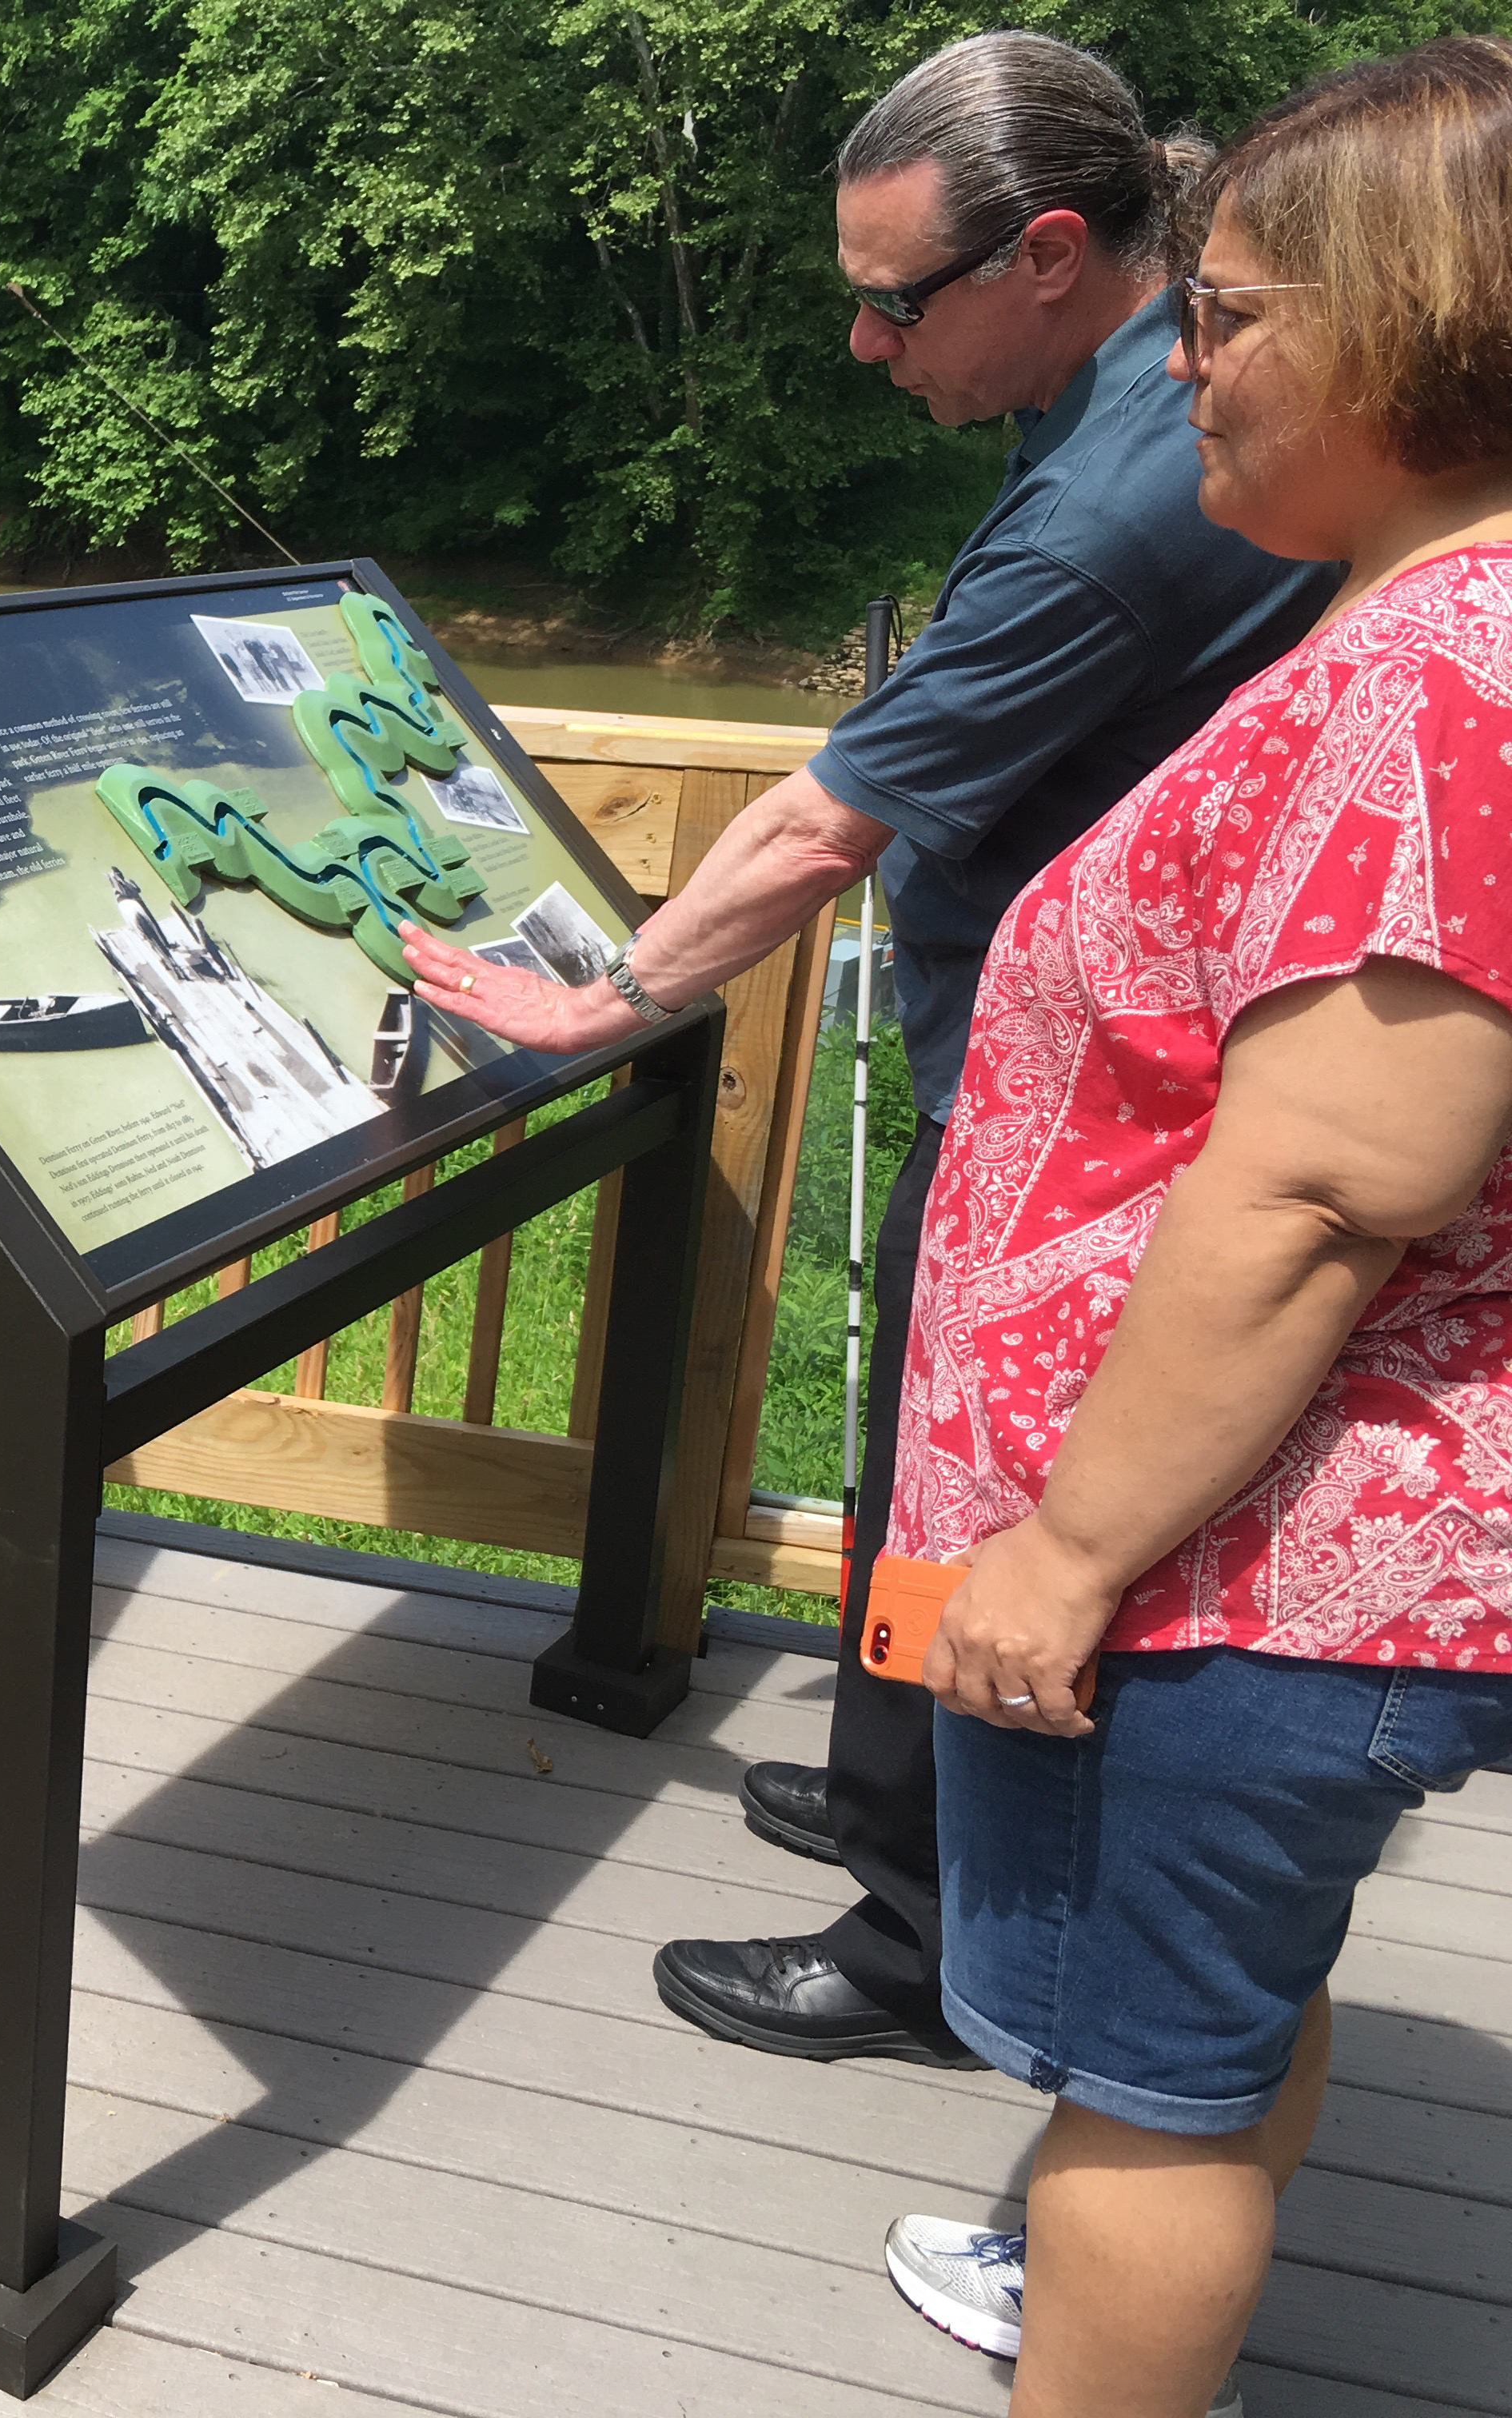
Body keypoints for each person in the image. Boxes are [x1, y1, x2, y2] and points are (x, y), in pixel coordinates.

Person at [398, 30, 1339, 2066]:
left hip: (1081, 1102)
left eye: (896, 298)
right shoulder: (1143, 383)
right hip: (1051, 1060)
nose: (859, 340)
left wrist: (600, 998)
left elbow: (825, 819)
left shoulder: (1123, 497)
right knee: (923, 1454)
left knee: (978, 1489)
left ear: (1056, 254)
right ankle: (891, 1782)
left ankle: (920, 1943)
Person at [867, 40, 1512, 2415]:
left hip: (1226, 1563)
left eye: (1228, 314)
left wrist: (1061, 1552)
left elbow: (1338, 1176)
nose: (1182, 359)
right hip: (1265, 1552)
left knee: (1144, 2087)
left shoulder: (1441, 676)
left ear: (1414, 320)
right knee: (1207, 2017)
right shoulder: (1432, 640)